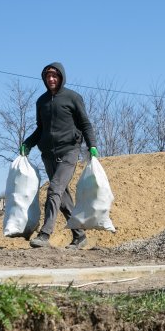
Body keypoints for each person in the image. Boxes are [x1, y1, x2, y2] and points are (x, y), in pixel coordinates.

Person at [20, 62, 99, 249]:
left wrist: (92, 146)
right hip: (48, 154)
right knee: (62, 199)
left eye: (54, 76)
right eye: (48, 77)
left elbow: (85, 124)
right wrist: (28, 143)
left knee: (54, 189)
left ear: (61, 77)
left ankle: (45, 234)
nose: (51, 79)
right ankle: (79, 236)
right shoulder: (41, 101)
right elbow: (41, 128)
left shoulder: (73, 98)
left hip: (69, 151)